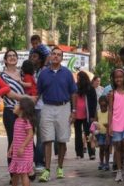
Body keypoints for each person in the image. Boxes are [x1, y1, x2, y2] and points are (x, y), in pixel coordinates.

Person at [36, 47, 77, 182]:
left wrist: (74, 111)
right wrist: (29, 110)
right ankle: (47, 170)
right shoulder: (43, 74)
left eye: (59, 55)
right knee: (47, 139)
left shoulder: (67, 73)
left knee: (62, 140)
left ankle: (60, 167)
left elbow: (73, 93)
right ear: (50, 56)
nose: (56, 56)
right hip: (47, 107)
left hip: (64, 107)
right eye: (53, 54)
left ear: (61, 58)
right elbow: (38, 94)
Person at [0, 49, 27, 178]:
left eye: (14, 55)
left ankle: (26, 170)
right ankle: (13, 173)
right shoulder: (1, 76)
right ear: (5, 60)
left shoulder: (23, 74)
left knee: (27, 141)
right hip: (10, 111)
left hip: (24, 112)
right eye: (9, 56)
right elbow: (8, 93)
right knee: (13, 142)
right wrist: (25, 98)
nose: (12, 57)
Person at [107, 68, 124, 182]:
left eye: (121, 77)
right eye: (116, 77)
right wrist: (109, 125)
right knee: (117, 146)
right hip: (116, 123)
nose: (119, 79)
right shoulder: (112, 93)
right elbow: (110, 110)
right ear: (113, 79)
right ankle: (119, 170)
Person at [8, 97, 36, 186]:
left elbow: (30, 134)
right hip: (17, 152)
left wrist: (22, 146)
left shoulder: (26, 121)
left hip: (24, 152)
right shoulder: (17, 120)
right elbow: (15, 137)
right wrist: (11, 148)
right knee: (15, 173)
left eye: (17, 104)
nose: (15, 106)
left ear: (22, 109)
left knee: (23, 174)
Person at [73, 71, 97, 160]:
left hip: (87, 115)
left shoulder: (90, 88)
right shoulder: (75, 87)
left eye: (79, 78)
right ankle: (79, 153)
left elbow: (94, 102)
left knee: (89, 134)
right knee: (78, 135)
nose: (77, 79)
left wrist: (92, 115)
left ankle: (92, 153)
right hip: (77, 114)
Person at [95, 95, 110, 171]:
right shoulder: (98, 112)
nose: (103, 108)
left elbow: (111, 123)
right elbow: (95, 122)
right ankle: (101, 162)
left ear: (107, 105)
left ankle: (107, 163)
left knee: (107, 149)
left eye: (104, 106)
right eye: (101, 106)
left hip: (107, 134)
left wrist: (108, 126)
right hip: (100, 133)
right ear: (99, 105)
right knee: (101, 148)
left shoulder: (109, 113)